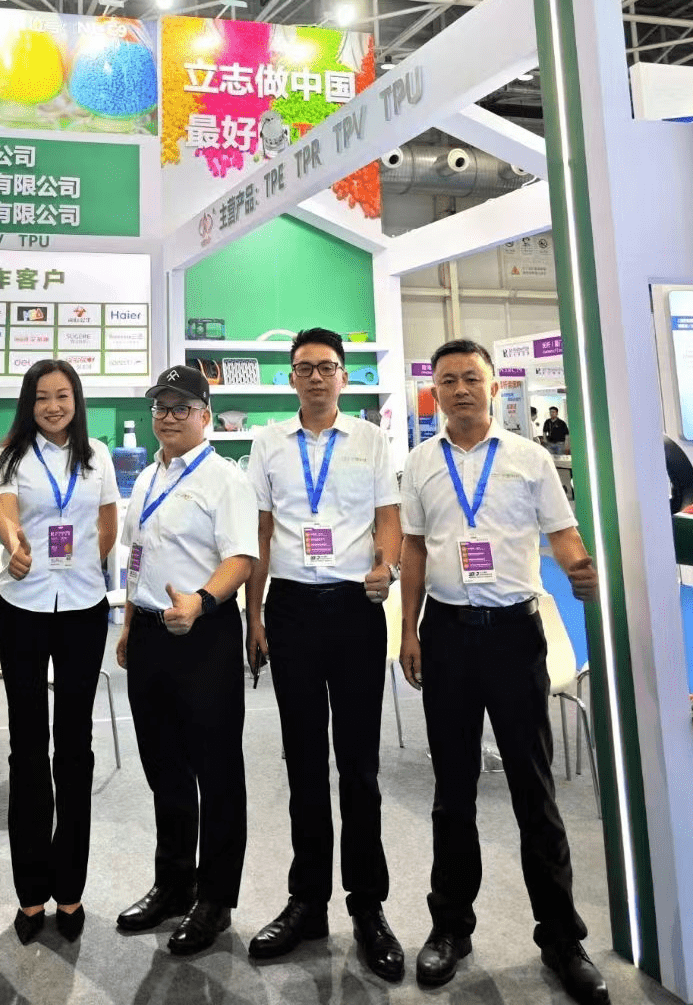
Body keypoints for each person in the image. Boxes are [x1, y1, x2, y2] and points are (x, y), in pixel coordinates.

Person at [398, 339, 607, 1004]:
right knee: (452, 791)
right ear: (434, 391)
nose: (460, 389)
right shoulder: (420, 463)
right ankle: (450, 928)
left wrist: (580, 569)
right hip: (447, 635)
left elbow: (562, 533)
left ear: (493, 387)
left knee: (533, 789)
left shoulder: (529, 458)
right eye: (448, 380)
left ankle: (562, 938)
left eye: (471, 378)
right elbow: (412, 548)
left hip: (516, 635)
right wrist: (408, 629)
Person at [244, 327, 405, 979]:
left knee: (360, 766)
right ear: (291, 378)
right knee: (304, 763)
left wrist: (387, 566)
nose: (316, 376)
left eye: (327, 367)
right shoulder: (267, 443)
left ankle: (368, 907)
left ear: (343, 376)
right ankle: (307, 902)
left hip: (356, 608)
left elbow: (389, 518)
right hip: (290, 610)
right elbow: (260, 530)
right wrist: (254, 614)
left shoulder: (371, 440)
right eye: (305, 367)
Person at [114, 364, 257, 956]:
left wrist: (199, 601)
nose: (168, 417)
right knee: (164, 768)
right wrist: (130, 624)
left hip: (204, 634)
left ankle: (215, 900)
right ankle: (173, 884)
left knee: (216, 771)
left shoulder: (227, 479)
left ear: (205, 416)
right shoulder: (149, 476)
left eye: (180, 407)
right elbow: (138, 556)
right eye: (160, 407)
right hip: (151, 635)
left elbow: (241, 558)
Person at [0, 359, 119, 944]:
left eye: (62, 396)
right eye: (42, 397)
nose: (53, 406)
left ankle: (70, 891)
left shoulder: (97, 457)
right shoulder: (9, 455)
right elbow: (6, 514)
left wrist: (89, 562)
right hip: (23, 605)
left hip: (83, 608)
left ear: (76, 400)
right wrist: (16, 545)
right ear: (29, 403)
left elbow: (107, 520)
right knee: (26, 748)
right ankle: (30, 895)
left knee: (74, 747)